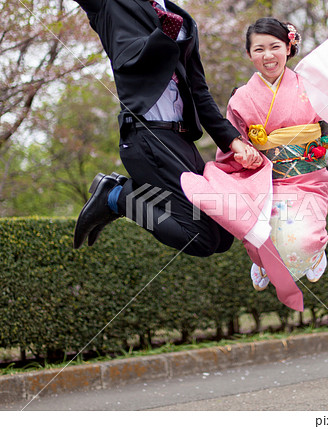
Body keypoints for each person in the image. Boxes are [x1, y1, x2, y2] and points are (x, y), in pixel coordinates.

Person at [72, 0, 262, 257]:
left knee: (223, 233)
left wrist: (233, 141)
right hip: (146, 135)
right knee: (201, 239)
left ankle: (118, 192)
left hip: (181, 140)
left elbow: (199, 92)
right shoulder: (111, 5)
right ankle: (117, 197)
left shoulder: (183, 19)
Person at [225, 7, 328, 289]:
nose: (268, 56)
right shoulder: (241, 98)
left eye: (275, 47)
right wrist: (243, 150)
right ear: (249, 54)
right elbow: (230, 139)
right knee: (259, 236)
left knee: (307, 237)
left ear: (288, 47)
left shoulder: (309, 83)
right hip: (265, 180)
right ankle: (262, 264)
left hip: (307, 176)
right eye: (259, 49)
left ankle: (316, 254)